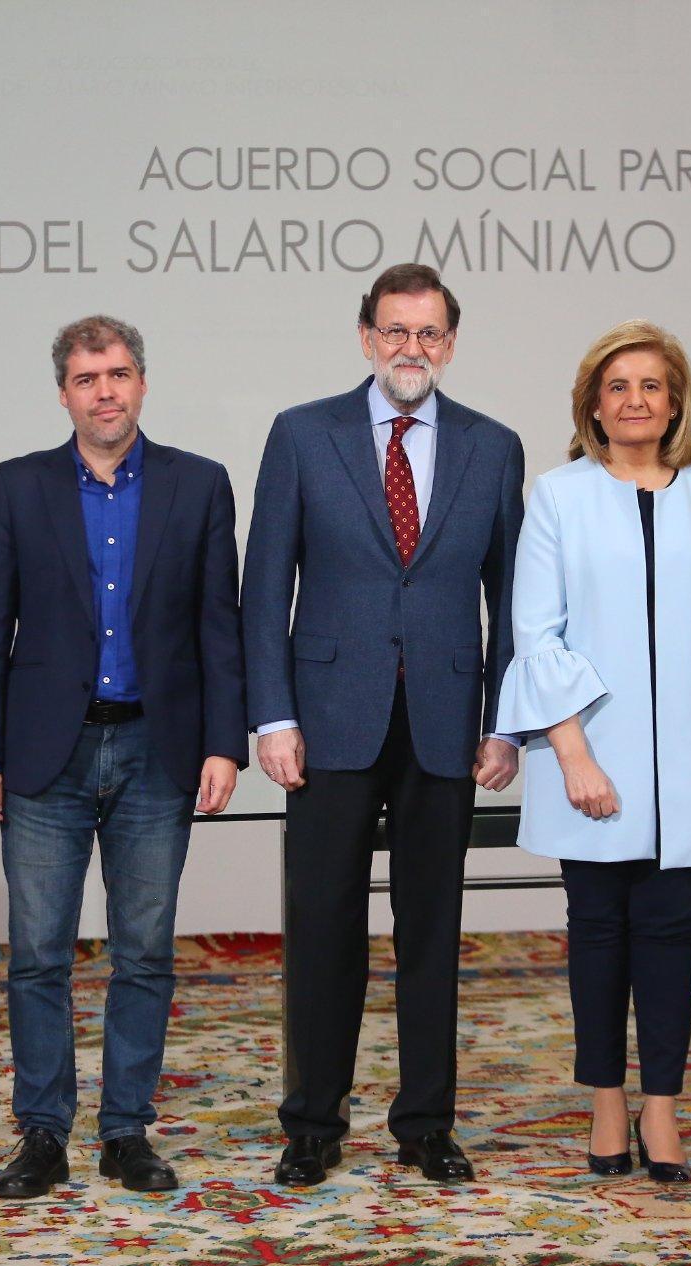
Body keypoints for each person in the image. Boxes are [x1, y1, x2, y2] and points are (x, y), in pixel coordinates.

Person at [243, 264, 525, 1186]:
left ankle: (427, 1124)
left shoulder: (493, 446)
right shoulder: (302, 433)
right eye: (396, 331)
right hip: (328, 721)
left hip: (447, 722)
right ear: (367, 337)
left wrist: (507, 723)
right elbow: (264, 586)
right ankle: (312, 1123)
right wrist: (273, 715)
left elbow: (512, 600)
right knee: (322, 926)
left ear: (451, 343)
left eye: (429, 333)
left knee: (431, 932)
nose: (412, 348)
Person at [0, 316, 245, 1195]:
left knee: (145, 952)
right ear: (64, 394)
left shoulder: (200, 484)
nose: (105, 391)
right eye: (87, 379)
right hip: (46, 752)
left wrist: (225, 743)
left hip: (160, 749)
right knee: (38, 953)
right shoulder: (16, 486)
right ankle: (43, 1132)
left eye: (118, 374)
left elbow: (219, 625)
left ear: (141, 383)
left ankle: (126, 1131)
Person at [494, 321, 691, 1183]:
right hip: (588, 758)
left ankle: (662, 1108)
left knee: (670, 933)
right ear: (592, 405)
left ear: (675, 402)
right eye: (617, 386)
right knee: (596, 931)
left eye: (652, 385)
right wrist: (573, 756)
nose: (635, 401)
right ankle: (606, 1102)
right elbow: (537, 633)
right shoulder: (558, 496)